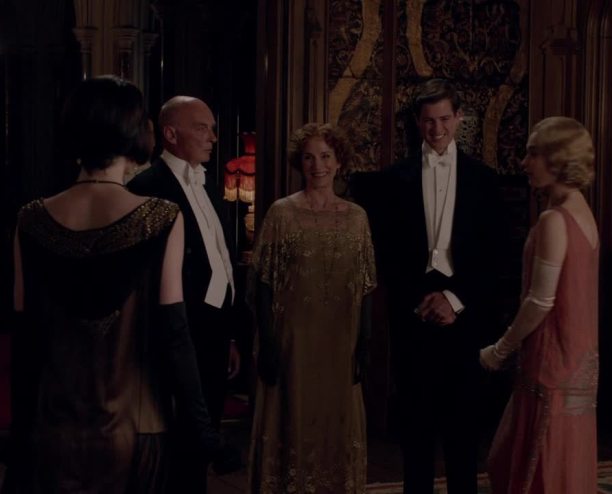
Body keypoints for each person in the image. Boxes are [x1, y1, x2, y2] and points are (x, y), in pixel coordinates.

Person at [6, 75, 224, 493]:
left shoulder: (30, 219)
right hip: (138, 427)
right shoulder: (161, 217)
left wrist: (19, 439)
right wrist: (203, 432)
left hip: (53, 427)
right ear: (136, 131)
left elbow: (26, 342)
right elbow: (175, 336)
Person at [372, 79, 504, 494]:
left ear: (459, 118)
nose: (437, 129)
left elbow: (495, 254)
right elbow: (385, 253)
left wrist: (454, 299)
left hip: (464, 314)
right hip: (414, 315)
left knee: (463, 430)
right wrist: (419, 301)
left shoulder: (485, 179)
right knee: (416, 430)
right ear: (417, 121)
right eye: (429, 121)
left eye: (445, 119)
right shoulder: (393, 179)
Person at [247, 122, 376, 493]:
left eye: (325, 156)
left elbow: (366, 284)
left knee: (335, 423)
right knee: (292, 419)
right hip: (293, 342)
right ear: (299, 163)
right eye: (309, 158)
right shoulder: (281, 213)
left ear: (339, 161)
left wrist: (364, 342)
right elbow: (262, 284)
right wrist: (268, 343)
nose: (318, 165)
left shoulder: (357, 217)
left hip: (339, 342)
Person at [127, 95, 241, 492]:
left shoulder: (206, 182)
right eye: (202, 128)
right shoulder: (146, 187)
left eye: (213, 128)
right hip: (174, 334)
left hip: (213, 331)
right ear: (171, 134)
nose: (213, 137)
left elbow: (220, 260)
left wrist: (228, 333)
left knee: (203, 438)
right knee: (177, 443)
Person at [479, 116, 599, 493]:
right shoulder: (582, 212)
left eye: (533, 154)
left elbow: (540, 300)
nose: (524, 163)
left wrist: (499, 350)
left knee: (535, 466)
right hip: (573, 362)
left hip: (552, 364)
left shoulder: (555, 219)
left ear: (558, 159)